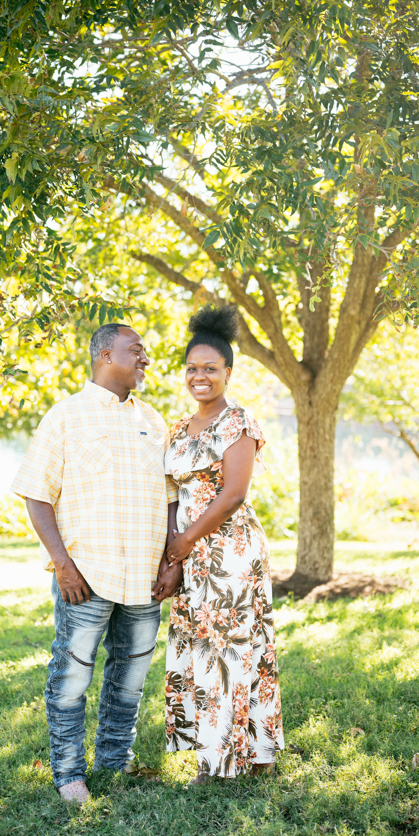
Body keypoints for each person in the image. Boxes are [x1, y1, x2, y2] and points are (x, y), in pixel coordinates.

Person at [11, 323, 181, 804]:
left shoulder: (153, 419)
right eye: (136, 349)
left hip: (146, 578)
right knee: (71, 679)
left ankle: (115, 762)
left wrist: (172, 560)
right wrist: (62, 565)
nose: (145, 358)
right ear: (106, 354)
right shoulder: (65, 416)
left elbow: (170, 499)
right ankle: (69, 775)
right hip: (87, 576)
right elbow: (37, 495)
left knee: (129, 681)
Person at [153, 305, 284, 783]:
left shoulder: (238, 422)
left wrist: (185, 541)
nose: (199, 376)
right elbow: (172, 495)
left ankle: (254, 755)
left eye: (210, 368)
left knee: (239, 649)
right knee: (201, 649)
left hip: (231, 554)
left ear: (228, 372)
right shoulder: (178, 429)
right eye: (192, 369)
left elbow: (233, 495)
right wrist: (173, 553)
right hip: (189, 555)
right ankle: (214, 754)